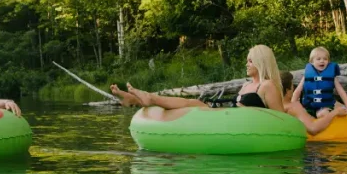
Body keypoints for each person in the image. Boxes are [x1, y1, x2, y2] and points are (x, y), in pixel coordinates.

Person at [110, 45, 286, 121]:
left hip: (230, 116)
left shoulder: (267, 86)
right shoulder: (247, 85)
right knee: (190, 103)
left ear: (261, 62)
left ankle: (148, 98)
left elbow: (280, 118)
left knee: (192, 103)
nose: (246, 64)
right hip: (224, 111)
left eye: (250, 61)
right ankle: (141, 100)